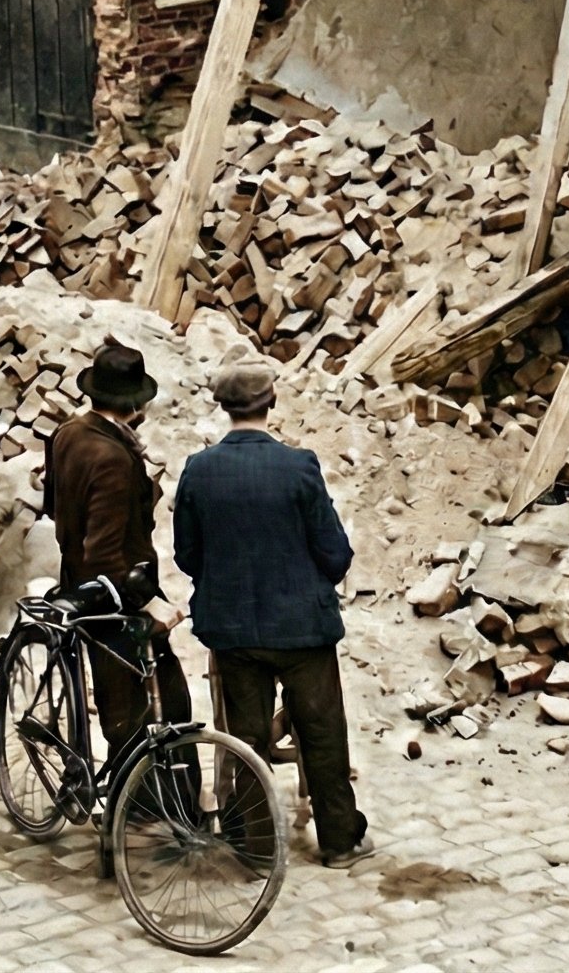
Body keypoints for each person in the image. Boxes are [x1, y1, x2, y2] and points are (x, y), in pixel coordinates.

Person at [173, 365, 370, 868]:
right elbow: (334, 551)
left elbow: (187, 553)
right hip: (302, 625)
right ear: (271, 403)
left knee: (246, 737)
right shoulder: (299, 466)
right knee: (322, 732)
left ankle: (257, 845)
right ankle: (340, 841)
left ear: (223, 407)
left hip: (234, 629)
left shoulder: (199, 468)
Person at [43, 338, 192, 755]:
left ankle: (136, 798)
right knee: (151, 702)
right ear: (133, 405)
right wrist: (149, 603)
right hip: (114, 594)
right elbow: (105, 553)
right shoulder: (112, 457)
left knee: (121, 697)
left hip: (78, 579)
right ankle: (139, 806)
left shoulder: (67, 433)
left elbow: (54, 505)